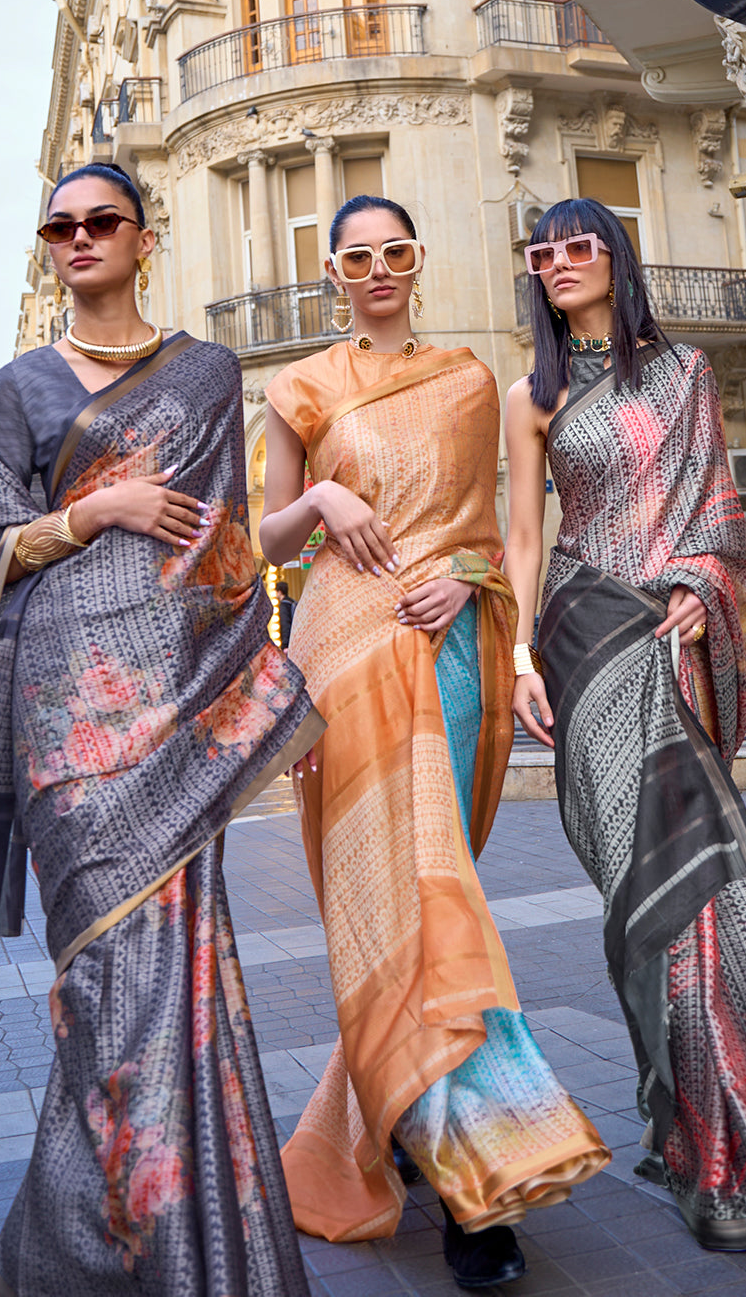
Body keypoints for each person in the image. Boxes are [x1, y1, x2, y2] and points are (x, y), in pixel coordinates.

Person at [0, 163, 321, 1297]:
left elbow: (231, 555)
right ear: (49, 246)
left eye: (102, 221)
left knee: (171, 980)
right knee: (100, 981)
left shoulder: (207, 374)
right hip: (59, 715)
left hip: (172, 719)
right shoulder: (20, 387)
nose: (79, 236)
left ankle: (134, 1252)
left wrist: (252, 702)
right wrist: (97, 508)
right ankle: (153, 1249)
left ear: (144, 238)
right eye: (60, 225)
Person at [503, 197, 746, 1251]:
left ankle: (730, 1138)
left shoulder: (689, 372)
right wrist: (522, 650)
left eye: (581, 245)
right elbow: (524, 534)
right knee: (633, 890)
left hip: (671, 637)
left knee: (694, 890)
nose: (562, 262)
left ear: (616, 257)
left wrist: (699, 583)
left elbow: (719, 515)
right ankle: (687, 1114)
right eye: (545, 252)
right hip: (582, 637)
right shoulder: (533, 393)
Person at [260, 194, 608, 1288]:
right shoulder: (301, 387)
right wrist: (319, 489)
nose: (377, 271)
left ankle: (467, 1166)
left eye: (395, 252)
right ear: (333, 272)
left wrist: (470, 586)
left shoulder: (465, 379)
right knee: (378, 914)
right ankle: (460, 1169)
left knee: (434, 898)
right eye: (356, 257)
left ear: (418, 261)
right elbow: (261, 531)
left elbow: (499, 534)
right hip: (341, 658)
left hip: (446, 656)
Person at [275, 579, 296, 649]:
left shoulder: (284, 605)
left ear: (280, 592)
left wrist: (285, 645)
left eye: (276, 591)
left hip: (289, 643)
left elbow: (285, 624)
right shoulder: (292, 602)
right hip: (294, 639)